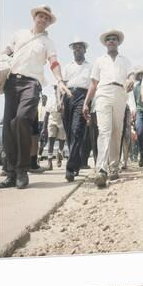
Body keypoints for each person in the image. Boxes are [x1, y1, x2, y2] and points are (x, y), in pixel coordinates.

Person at [0, 5, 71, 189]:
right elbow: (5, 53)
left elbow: (53, 63)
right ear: (34, 17)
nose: (43, 19)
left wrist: (60, 80)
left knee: (22, 120)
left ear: (49, 23)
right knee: (8, 126)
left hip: (32, 84)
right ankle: (12, 173)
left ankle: (23, 169)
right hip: (11, 82)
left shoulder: (48, 43)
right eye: (40, 16)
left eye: (47, 18)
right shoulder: (19, 34)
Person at [83, 30, 135, 188]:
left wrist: (131, 80)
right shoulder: (99, 61)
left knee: (117, 131)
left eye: (114, 39)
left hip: (120, 93)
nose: (111, 41)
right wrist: (86, 102)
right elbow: (93, 84)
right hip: (103, 93)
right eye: (108, 39)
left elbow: (131, 75)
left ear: (118, 42)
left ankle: (114, 167)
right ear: (105, 43)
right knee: (104, 131)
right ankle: (101, 169)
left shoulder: (125, 60)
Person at [62, 39, 92, 181]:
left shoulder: (90, 67)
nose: (77, 50)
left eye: (80, 48)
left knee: (77, 130)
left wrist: (89, 103)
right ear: (72, 50)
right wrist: (59, 101)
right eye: (75, 48)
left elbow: (93, 86)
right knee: (69, 133)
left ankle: (70, 168)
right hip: (68, 97)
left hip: (83, 97)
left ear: (85, 50)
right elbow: (62, 84)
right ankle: (77, 162)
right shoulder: (68, 67)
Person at [132, 66, 143, 168]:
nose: (141, 76)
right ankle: (141, 152)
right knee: (139, 132)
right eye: (140, 74)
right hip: (139, 112)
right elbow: (134, 101)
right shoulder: (136, 87)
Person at [45, 86, 67, 170]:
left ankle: (59, 154)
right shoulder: (50, 98)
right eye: (55, 88)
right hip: (52, 118)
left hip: (61, 119)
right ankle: (49, 162)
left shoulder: (64, 98)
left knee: (62, 140)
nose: (57, 90)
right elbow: (47, 114)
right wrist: (44, 128)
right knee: (51, 140)